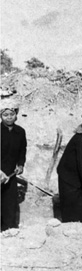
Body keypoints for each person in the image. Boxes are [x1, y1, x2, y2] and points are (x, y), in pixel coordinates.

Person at [1, 99, 27, 231]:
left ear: (16, 115)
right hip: (0, 171)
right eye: (5, 115)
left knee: (9, 200)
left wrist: (21, 165)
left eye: (11, 114)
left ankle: (9, 227)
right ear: (1, 116)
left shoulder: (20, 132)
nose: (9, 117)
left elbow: (22, 150)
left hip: (11, 172)